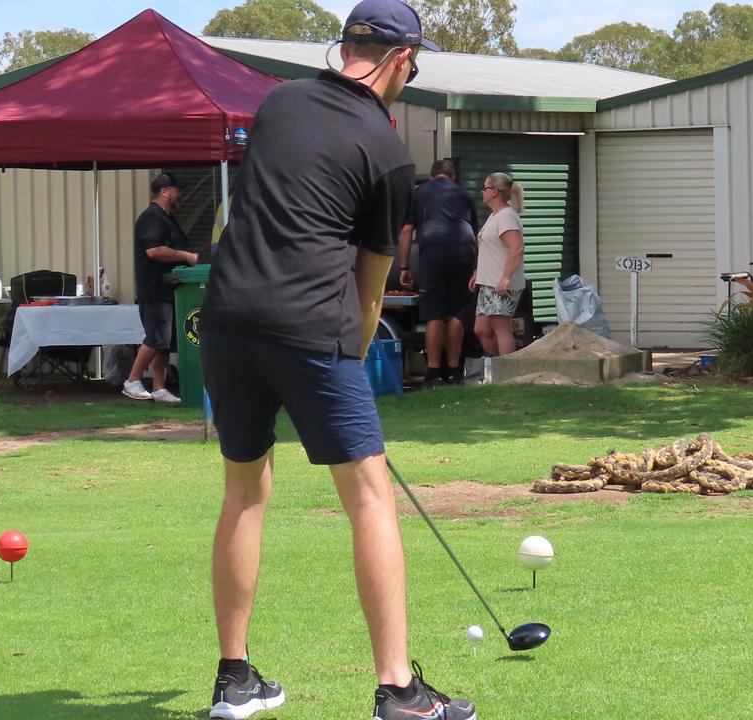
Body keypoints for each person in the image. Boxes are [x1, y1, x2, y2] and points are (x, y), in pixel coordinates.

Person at [197, 1, 477, 718]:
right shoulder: (388, 152)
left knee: (245, 492)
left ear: (347, 45)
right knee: (370, 498)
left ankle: (235, 679)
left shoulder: (279, 101)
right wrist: (348, 364)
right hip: (311, 328)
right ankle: (398, 691)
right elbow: (372, 284)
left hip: (226, 321)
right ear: (401, 59)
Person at [398, 159, 479, 385]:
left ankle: (434, 373)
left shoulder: (420, 193)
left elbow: (406, 231)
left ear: (433, 176)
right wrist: (476, 269)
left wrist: (404, 266)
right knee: (456, 313)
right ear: (452, 177)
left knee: (434, 314)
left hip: (434, 254)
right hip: (464, 254)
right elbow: (475, 233)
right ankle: (453, 371)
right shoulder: (464, 195)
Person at [124, 173, 199, 403]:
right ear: (165, 191)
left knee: (165, 343)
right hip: (155, 290)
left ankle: (159, 388)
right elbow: (154, 251)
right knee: (156, 338)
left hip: (170, 290)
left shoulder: (168, 218)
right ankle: (132, 381)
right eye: (178, 190)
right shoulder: (151, 218)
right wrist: (185, 256)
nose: (182, 196)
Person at [470, 172, 526, 356]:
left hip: (501, 284)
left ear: (494, 192)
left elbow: (516, 248)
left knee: (500, 328)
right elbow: (492, 249)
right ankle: (498, 367)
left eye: (484, 188)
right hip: (489, 282)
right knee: (481, 329)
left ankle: (505, 378)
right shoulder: (494, 216)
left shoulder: (506, 217)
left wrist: (505, 278)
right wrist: (478, 272)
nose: (482, 191)